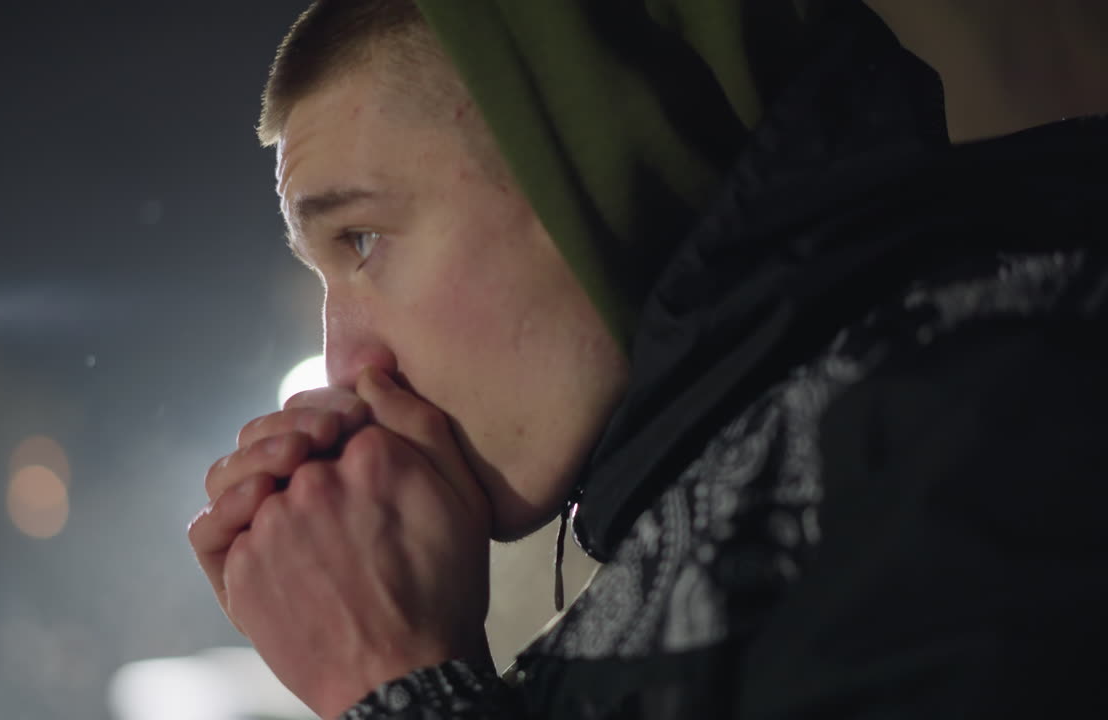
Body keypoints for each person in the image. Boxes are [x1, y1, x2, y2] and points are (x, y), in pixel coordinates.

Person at [187, 0, 1108, 717]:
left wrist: (388, 681)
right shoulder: (721, 512)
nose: (346, 362)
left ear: (594, 170)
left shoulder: (983, 430)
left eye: (362, 240)